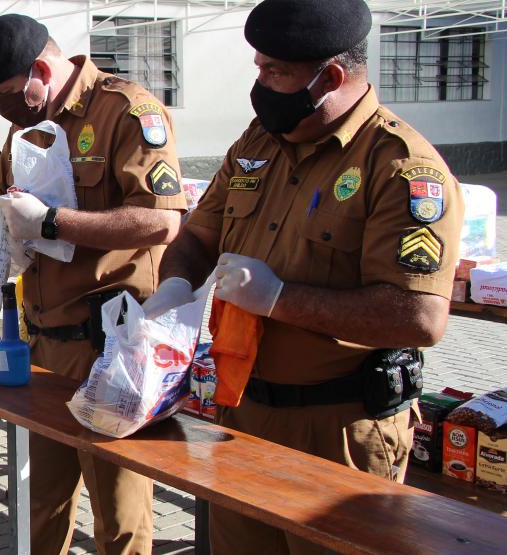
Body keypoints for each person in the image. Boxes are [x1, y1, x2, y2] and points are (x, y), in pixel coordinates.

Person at [142, 1, 465, 553]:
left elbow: (419, 317)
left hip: (338, 428)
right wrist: (174, 286)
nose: (260, 82)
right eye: (259, 66)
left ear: (331, 77)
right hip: (243, 412)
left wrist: (280, 299)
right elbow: (197, 236)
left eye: (276, 71)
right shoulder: (259, 142)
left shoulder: (401, 168)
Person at [0, 14, 186, 554]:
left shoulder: (126, 112)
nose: (1, 107)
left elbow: (161, 220)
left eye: (6, 93)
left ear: (41, 68)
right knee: (43, 500)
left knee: (117, 511)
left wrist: (50, 222)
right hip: (42, 345)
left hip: (109, 349)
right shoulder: (28, 120)